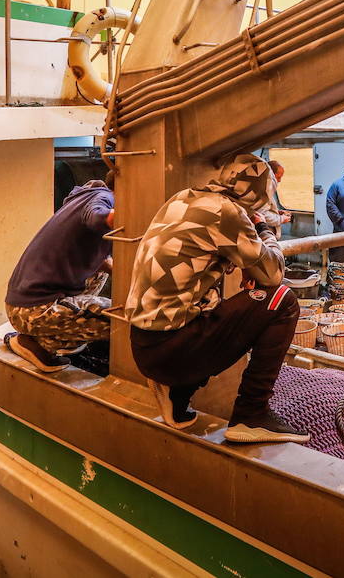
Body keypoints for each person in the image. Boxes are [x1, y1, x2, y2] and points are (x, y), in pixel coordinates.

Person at [126, 154, 308, 444]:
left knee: (213, 300)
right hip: (172, 350)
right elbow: (273, 273)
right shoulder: (227, 213)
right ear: (260, 195)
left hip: (144, 342)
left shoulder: (183, 198)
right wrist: (261, 230)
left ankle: (177, 393)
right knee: (280, 300)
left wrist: (243, 262)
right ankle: (252, 415)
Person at [3, 179, 116, 373]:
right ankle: (38, 343)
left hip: (25, 303)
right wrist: (137, 214)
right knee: (121, 319)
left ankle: (58, 331)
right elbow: (96, 217)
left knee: (103, 268)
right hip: (33, 310)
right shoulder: (104, 197)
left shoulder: (85, 197)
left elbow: (104, 263)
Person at [259, 158, 292, 235]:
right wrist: (281, 219)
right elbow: (262, 214)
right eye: (278, 177)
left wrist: (277, 212)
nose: (279, 181)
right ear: (270, 176)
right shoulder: (262, 191)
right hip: (264, 234)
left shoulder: (267, 188)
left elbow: (265, 208)